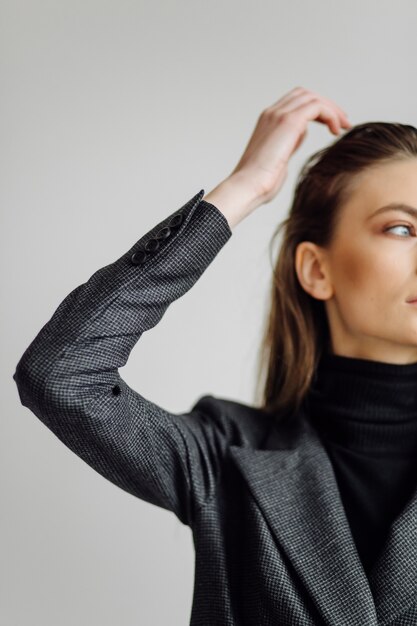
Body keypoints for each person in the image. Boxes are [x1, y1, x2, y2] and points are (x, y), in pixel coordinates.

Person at [13, 86, 417, 625]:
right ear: (316, 271)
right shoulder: (226, 456)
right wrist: (244, 188)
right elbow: (60, 374)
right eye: (401, 228)